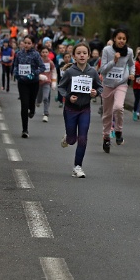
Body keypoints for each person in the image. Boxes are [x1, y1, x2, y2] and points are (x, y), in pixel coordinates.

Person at [57, 42, 103, 178]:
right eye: (78, 53)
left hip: (85, 109)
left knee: (82, 138)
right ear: (74, 56)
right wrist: (68, 97)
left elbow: (100, 87)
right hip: (70, 109)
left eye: (84, 53)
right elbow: (61, 87)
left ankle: (77, 167)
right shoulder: (70, 72)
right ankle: (68, 138)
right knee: (72, 140)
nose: (82, 55)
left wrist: (95, 92)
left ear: (88, 56)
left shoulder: (92, 72)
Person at [99, 29, 135, 152]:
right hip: (107, 84)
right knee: (107, 114)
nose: (121, 41)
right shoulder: (107, 50)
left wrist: (132, 73)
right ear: (114, 38)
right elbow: (102, 70)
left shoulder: (129, 52)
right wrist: (113, 61)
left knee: (119, 107)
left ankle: (118, 130)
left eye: (124, 39)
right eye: (119, 38)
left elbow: (132, 64)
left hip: (121, 83)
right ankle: (106, 137)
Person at [13, 36, 45, 138]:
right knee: (24, 105)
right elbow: (15, 65)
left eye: (29, 43)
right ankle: (25, 130)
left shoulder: (35, 54)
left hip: (33, 82)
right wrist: (16, 74)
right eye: (25, 42)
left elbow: (42, 67)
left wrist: (33, 74)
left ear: (33, 44)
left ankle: (32, 109)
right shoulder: (19, 53)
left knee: (31, 101)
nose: (26, 45)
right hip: (22, 83)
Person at [36, 45, 56, 122]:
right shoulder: (38, 61)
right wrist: (39, 76)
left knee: (45, 97)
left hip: (47, 82)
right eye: (43, 52)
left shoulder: (50, 62)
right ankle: (38, 101)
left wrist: (54, 82)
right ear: (40, 53)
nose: (44, 54)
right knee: (39, 98)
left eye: (46, 52)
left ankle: (45, 113)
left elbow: (54, 72)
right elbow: (34, 70)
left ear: (48, 53)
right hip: (38, 82)